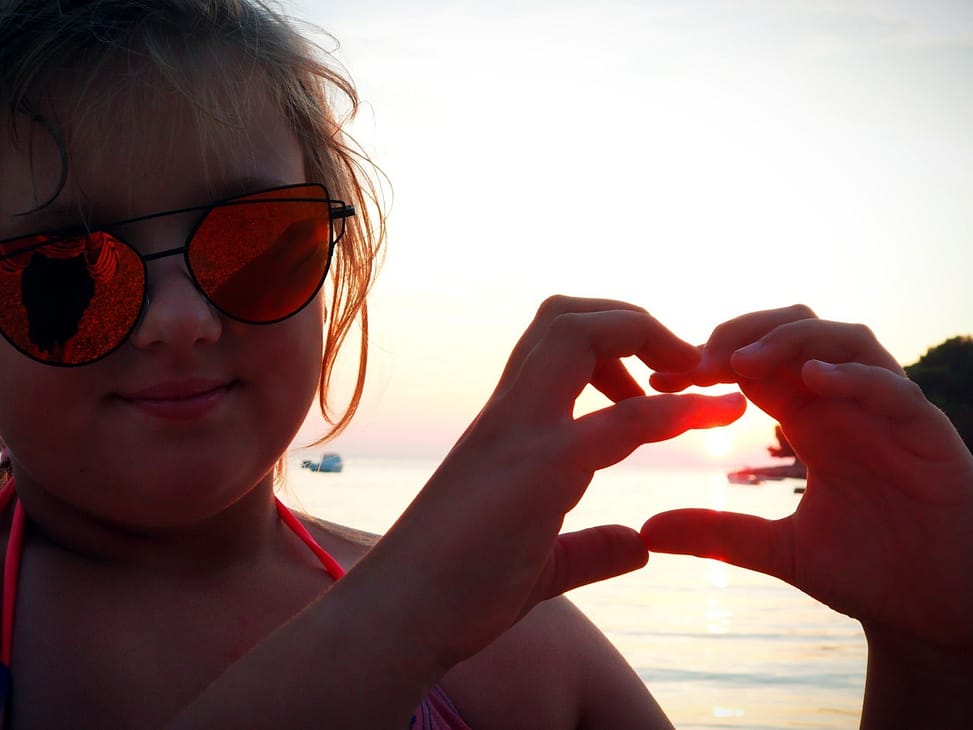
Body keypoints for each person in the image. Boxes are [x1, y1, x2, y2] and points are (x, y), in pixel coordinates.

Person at [1, 3, 971, 730]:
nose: (180, 320)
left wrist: (932, 648)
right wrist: (407, 614)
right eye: (61, 273)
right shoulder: (449, 613)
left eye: (254, 243)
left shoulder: (508, 644)